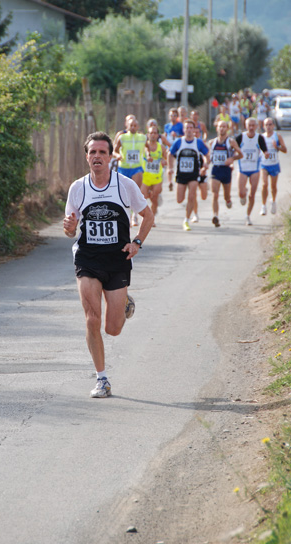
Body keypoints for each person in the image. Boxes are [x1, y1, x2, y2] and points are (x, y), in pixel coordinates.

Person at [63, 131, 154, 398]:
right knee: (92, 319)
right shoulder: (78, 188)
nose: (97, 157)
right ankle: (102, 379)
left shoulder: (124, 185)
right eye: (93, 152)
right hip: (88, 259)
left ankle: (125, 304)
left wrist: (137, 242)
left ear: (111, 157)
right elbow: (70, 228)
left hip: (117, 260)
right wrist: (68, 227)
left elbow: (147, 216)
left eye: (103, 152)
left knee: (112, 328)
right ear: (87, 156)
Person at [168, 119, 210, 231]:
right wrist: (170, 168)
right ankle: (188, 209)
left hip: (194, 174)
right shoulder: (179, 142)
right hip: (181, 174)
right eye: (187, 128)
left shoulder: (198, 142)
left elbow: (207, 154)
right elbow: (170, 154)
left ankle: (186, 219)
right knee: (179, 199)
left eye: (191, 128)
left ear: (194, 129)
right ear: (184, 129)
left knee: (192, 196)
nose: (189, 130)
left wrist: (205, 164)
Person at [114, 117, 150, 226]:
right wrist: (118, 155)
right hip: (123, 167)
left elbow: (147, 148)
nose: (133, 127)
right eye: (131, 125)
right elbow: (114, 150)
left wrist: (148, 155)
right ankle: (126, 215)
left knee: (135, 190)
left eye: (135, 125)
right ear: (127, 126)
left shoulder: (142, 137)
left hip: (136, 167)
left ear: (138, 127)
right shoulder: (122, 137)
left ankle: (135, 216)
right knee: (124, 193)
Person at [209, 120, 243, 227]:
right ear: (217, 129)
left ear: (227, 129)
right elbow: (210, 157)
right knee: (215, 194)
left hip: (226, 170)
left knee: (226, 195)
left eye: (224, 126)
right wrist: (204, 165)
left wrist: (232, 158)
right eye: (220, 127)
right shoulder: (212, 142)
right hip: (216, 169)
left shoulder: (231, 142)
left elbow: (241, 154)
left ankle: (228, 199)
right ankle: (215, 216)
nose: (222, 128)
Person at [235, 117, 269, 225]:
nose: (251, 127)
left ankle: (248, 216)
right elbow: (232, 147)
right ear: (245, 126)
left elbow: (265, 150)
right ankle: (242, 193)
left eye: (253, 125)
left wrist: (266, 154)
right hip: (243, 169)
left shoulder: (259, 138)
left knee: (252, 194)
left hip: (254, 169)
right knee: (241, 193)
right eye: (249, 125)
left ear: (257, 126)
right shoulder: (241, 137)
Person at [141, 123, 168, 226]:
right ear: (147, 134)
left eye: (155, 133)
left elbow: (167, 159)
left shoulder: (161, 147)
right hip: (145, 177)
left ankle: (151, 219)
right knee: (142, 198)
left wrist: (163, 161)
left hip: (157, 177)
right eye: (151, 133)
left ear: (158, 135)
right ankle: (146, 216)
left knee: (154, 199)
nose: (152, 135)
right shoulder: (143, 146)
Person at [260, 117, 287, 215]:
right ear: (263, 126)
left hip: (274, 164)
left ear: (273, 126)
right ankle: (263, 206)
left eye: (270, 124)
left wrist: (277, 147)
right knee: (264, 184)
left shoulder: (277, 136)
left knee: (273, 186)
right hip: (264, 164)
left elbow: (285, 150)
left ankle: (273, 201)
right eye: (266, 125)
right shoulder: (261, 137)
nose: (268, 127)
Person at [190, 124, 208, 223]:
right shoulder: (188, 143)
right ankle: (195, 214)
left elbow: (206, 155)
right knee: (193, 194)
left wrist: (205, 165)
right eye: (194, 132)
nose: (196, 134)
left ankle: (206, 185)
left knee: (204, 196)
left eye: (198, 132)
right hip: (193, 173)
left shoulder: (200, 143)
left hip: (202, 172)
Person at [164, 108, 184, 191]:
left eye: (174, 115)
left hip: (178, 148)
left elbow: (184, 136)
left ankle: (177, 178)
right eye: (171, 115)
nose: (173, 117)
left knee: (178, 164)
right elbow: (165, 136)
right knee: (169, 164)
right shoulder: (167, 126)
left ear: (177, 116)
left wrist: (177, 134)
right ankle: (169, 182)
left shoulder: (180, 125)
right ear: (169, 116)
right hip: (169, 147)